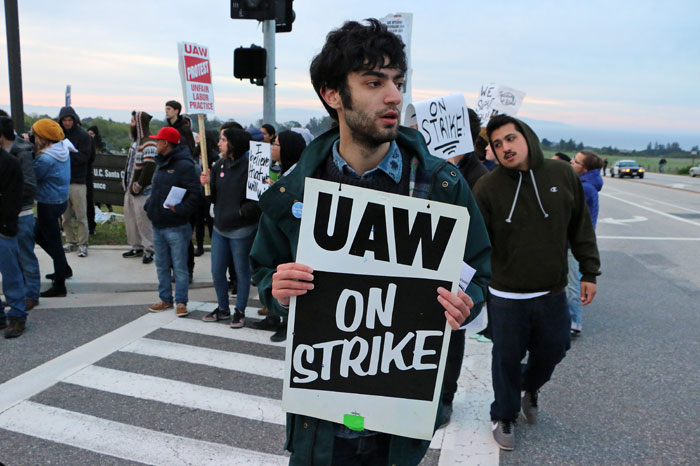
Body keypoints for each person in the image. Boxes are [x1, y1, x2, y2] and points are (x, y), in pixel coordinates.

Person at [249, 19, 491, 465]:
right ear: (333, 94)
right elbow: (265, 270)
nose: (395, 96)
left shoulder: (440, 184)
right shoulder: (296, 190)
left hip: (399, 418)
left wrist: (466, 300)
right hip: (321, 420)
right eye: (374, 82)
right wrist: (277, 292)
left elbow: (477, 268)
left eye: (398, 82)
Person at [472, 115, 601, 451]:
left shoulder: (561, 175)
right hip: (505, 295)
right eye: (497, 144)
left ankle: (530, 387)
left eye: (510, 139)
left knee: (556, 348)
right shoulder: (487, 187)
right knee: (506, 358)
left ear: (526, 137)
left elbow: (580, 226)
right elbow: (475, 242)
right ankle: (504, 415)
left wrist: (589, 272)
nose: (505, 148)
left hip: (551, 291)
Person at [199, 128, 259, 328]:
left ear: (233, 143)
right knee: (217, 271)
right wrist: (206, 186)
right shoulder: (219, 165)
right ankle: (223, 308)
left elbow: (257, 201)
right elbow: (213, 197)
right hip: (220, 228)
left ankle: (240, 310)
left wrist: (240, 213)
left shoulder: (252, 167)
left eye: (223, 140)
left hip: (241, 230)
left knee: (242, 272)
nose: (219, 143)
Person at [252, 129, 307, 341]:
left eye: (276, 144)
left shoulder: (302, 179)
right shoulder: (284, 176)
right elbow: (263, 265)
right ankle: (281, 319)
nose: (272, 148)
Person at [145, 127, 202, 317]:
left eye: (158, 141)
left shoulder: (185, 165)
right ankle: (165, 299)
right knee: (161, 264)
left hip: (177, 225)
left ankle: (181, 302)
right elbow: (156, 189)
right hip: (159, 223)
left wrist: (180, 210)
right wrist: (149, 206)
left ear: (166, 144)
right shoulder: (161, 163)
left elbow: (196, 194)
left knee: (179, 266)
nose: (156, 144)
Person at [0, 117, 40, 310]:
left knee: (25, 255)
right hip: (6, 214)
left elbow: (30, 185)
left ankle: (31, 293)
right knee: (11, 261)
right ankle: (20, 294)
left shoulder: (21, 153)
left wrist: (10, 195)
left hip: (22, 212)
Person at [32, 119, 74, 298]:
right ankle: (63, 269)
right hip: (60, 200)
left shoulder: (46, 158)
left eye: (34, 134)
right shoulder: (62, 149)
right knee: (40, 234)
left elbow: (33, 177)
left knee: (54, 242)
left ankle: (60, 285)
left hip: (47, 203)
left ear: (41, 138)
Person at [568, 150, 603, 336]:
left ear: (585, 168)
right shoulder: (585, 185)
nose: (572, 162)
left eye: (576, 161)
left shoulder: (585, 188)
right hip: (573, 243)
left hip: (574, 245)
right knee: (571, 283)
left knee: (572, 285)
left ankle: (574, 323)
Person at [57, 106, 95, 258]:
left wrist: (66, 155)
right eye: (64, 120)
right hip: (62, 180)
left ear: (74, 120)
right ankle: (70, 241)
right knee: (65, 216)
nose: (67, 123)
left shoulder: (84, 137)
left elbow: (86, 158)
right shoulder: (58, 135)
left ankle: (83, 243)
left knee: (81, 215)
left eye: (69, 120)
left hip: (78, 180)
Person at [0, 143, 28, 338]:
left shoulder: (10, 163)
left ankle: (17, 315)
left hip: (3, 227)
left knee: (11, 274)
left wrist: (6, 227)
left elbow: (15, 198)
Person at [122, 111, 157, 264]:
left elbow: (150, 166)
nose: (131, 124)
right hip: (130, 188)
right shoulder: (136, 142)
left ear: (139, 123)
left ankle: (149, 249)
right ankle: (136, 246)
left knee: (143, 221)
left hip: (143, 190)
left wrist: (138, 185)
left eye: (132, 121)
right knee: (131, 219)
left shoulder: (148, 142)